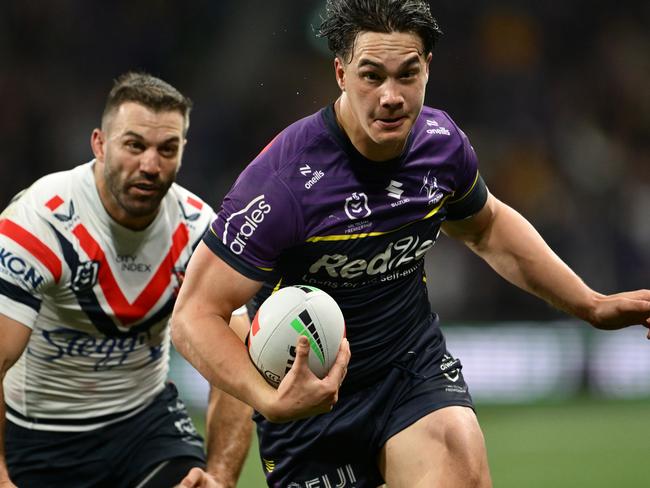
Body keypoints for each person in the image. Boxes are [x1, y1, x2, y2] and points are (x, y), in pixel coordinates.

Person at [170, 1, 650, 487]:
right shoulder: (283, 184)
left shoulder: (440, 144)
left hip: (411, 371)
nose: (391, 96)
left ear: (428, 69)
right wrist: (268, 397)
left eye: (407, 75)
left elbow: (487, 228)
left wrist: (590, 304)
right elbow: (194, 316)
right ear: (340, 73)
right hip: (308, 407)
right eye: (371, 76)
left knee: (458, 459)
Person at [0, 72, 253, 488]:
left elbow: (236, 357)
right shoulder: (38, 224)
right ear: (99, 144)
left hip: (144, 428)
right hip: (37, 434)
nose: (150, 166)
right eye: (134, 145)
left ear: (183, 151)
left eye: (167, 149)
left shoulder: (198, 233)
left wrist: (221, 477)